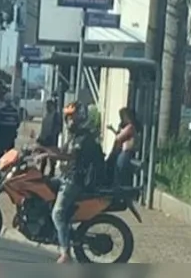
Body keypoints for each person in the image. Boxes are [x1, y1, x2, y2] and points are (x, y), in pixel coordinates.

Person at [31, 101, 105, 264]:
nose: (70, 121)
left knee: (57, 213)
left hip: (76, 179)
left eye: (73, 117)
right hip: (67, 176)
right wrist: (41, 149)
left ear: (81, 117)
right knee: (44, 186)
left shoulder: (84, 137)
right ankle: (52, 229)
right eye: (68, 118)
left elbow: (71, 157)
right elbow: (62, 151)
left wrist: (48, 156)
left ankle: (65, 253)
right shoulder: (75, 135)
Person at [107, 107, 140, 187]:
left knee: (120, 174)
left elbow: (119, 138)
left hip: (126, 153)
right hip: (122, 152)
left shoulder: (130, 127)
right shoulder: (126, 127)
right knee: (117, 172)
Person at [0, 93, 21, 170]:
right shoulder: (15, 111)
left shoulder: (1, 111)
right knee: (10, 154)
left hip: (1, 135)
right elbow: (18, 123)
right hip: (11, 136)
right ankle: (9, 169)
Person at [36, 99, 62, 177]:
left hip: (51, 140)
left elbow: (58, 128)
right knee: (43, 158)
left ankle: (51, 173)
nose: (47, 107)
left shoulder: (56, 115)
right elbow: (43, 128)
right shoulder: (46, 115)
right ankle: (41, 173)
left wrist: (53, 136)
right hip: (44, 140)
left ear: (52, 106)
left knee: (51, 158)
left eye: (49, 105)